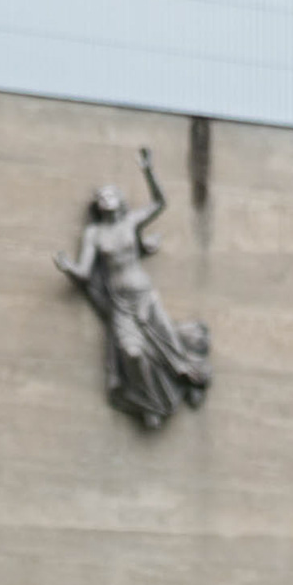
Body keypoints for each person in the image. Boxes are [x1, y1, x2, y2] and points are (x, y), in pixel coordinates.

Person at [57, 148, 213, 429]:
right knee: (132, 353)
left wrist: (148, 171)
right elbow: (84, 271)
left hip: (144, 295)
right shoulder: (94, 234)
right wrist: (68, 267)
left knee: (170, 347)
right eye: (101, 196)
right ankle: (153, 402)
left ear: (119, 201)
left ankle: (192, 382)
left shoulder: (130, 223)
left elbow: (159, 203)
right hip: (120, 304)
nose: (105, 199)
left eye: (110, 194)